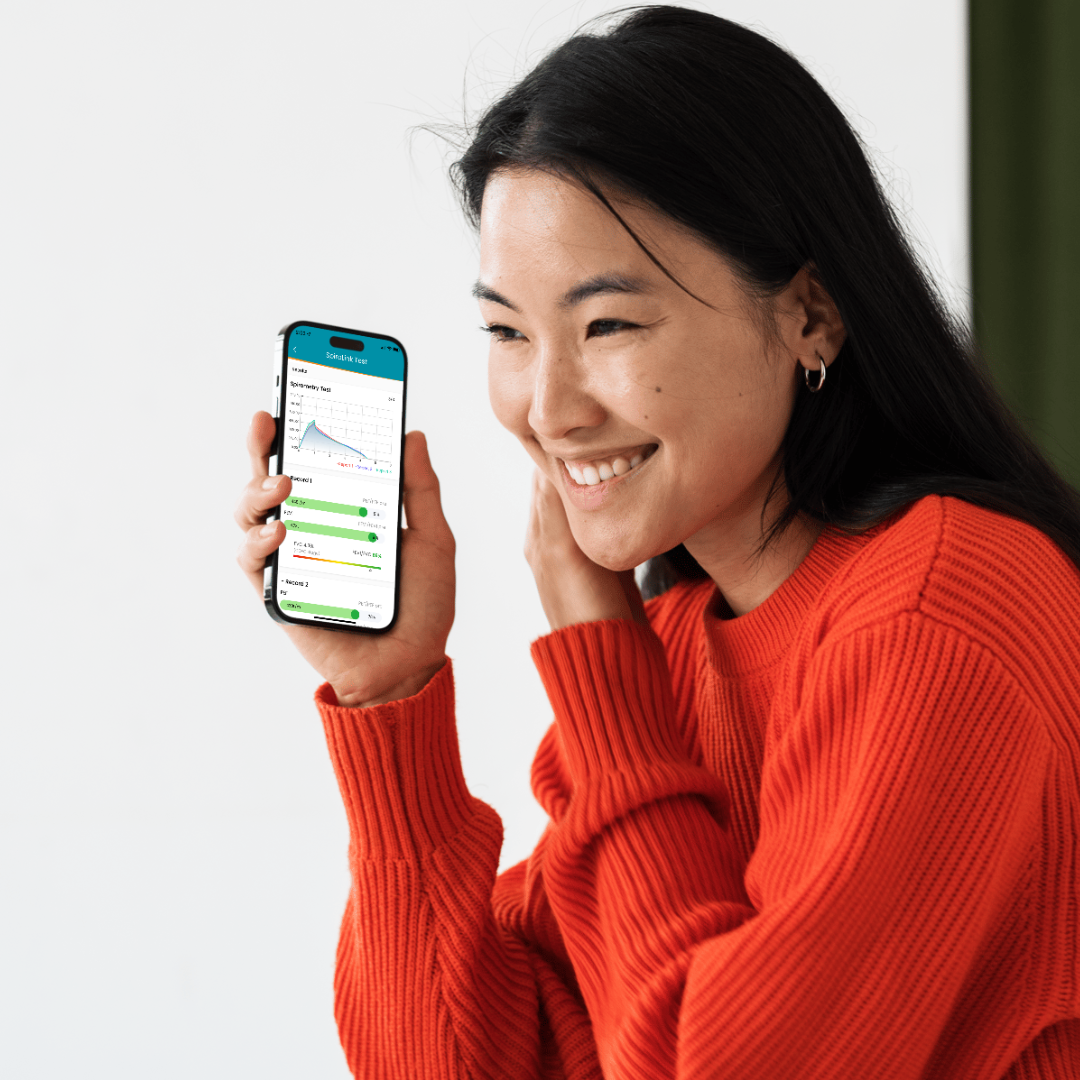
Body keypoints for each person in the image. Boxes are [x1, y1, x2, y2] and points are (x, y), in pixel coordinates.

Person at [234, 7, 1080, 1077]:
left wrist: (603, 668)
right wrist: (388, 696)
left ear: (812, 315)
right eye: (507, 331)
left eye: (609, 326)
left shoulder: (947, 602)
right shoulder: (677, 650)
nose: (550, 408)